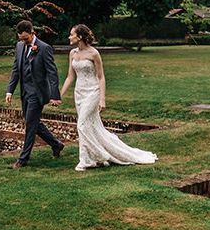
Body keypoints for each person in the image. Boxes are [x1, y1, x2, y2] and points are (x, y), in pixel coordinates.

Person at [60, 24, 157, 172]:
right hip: (79, 93)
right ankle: (94, 158)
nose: (69, 37)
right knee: (91, 126)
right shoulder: (72, 53)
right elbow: (70, 76)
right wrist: (59, 95)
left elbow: (101, 77)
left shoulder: (94, 53)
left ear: (79, 37)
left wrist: (102, 99)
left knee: (82, 125)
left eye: (71, 34)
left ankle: (88, 159)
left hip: (93, 91)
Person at [5, 20, 64, 168]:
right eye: (21, 39)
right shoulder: (19, 47)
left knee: (30, 125)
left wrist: (55, 95)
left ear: (33, 33)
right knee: (33, 122)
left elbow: (52, 73)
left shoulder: (44, 48)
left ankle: (23, 159)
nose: (23, 42)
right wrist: (10, 90)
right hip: (24, 91)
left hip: (37, 94)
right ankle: (56, 144)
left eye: (26, 39)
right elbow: (16, 70)